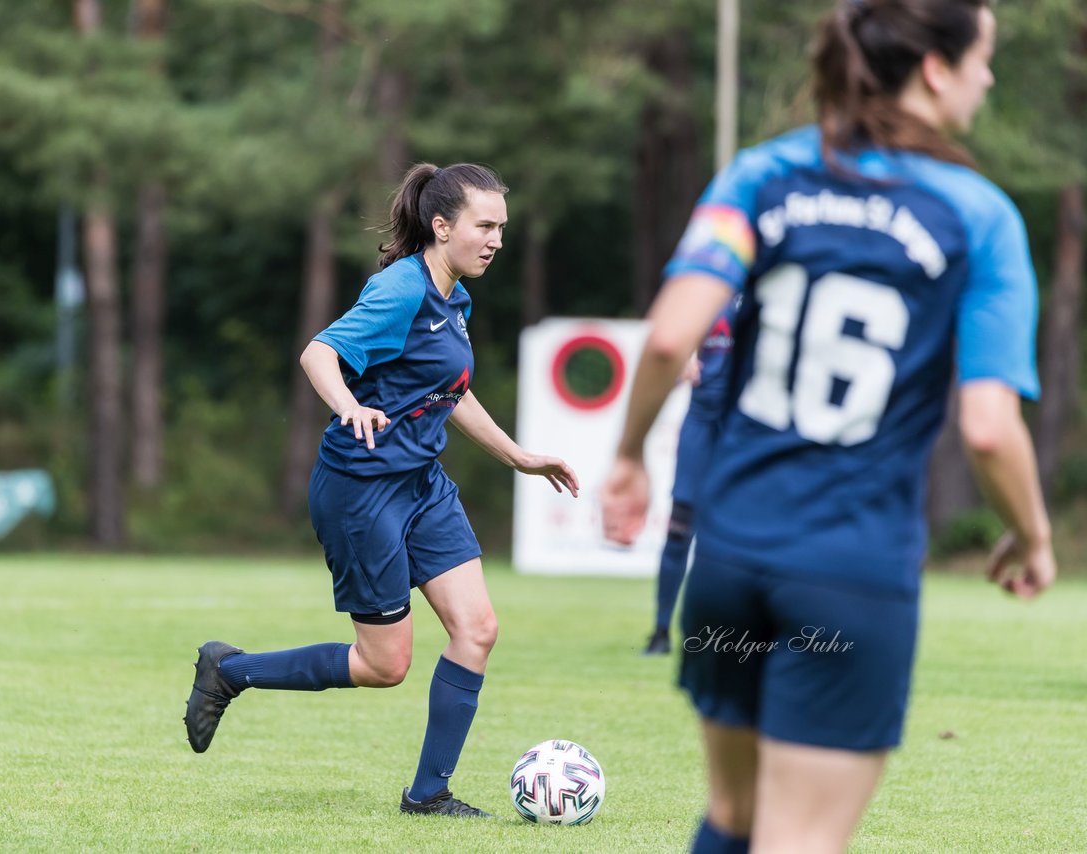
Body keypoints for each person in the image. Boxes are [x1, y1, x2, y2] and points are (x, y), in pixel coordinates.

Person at [601, 1, 1056, 851]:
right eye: (982, 60)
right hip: (848, 576)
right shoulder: (979, 215)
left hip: (730, 563)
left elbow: (670, 335)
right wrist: (1032, 535)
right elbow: (990, 429)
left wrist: (629, 457)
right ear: (934, 69)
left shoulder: (763, 174)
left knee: (731, 821)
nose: (987, 80)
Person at [184, 162, 579, 818]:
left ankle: (428, 795)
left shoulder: (455, 295)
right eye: (485, 226)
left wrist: (518, 456)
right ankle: (230, 671)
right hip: (361, 491)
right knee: (383, 664)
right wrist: (347, 405)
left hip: (421, 485)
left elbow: (447, 389)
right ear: (442, 225)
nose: (496, 240)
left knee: (477, 628)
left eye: (502, 229)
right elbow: (319, 353)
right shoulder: (401, 290)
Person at [644, 298, 737, 656]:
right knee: (680, 527)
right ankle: (662, 630)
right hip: (701, 419)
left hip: (745, 427)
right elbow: (667, 329)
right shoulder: (709, 286)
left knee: (741, 531)